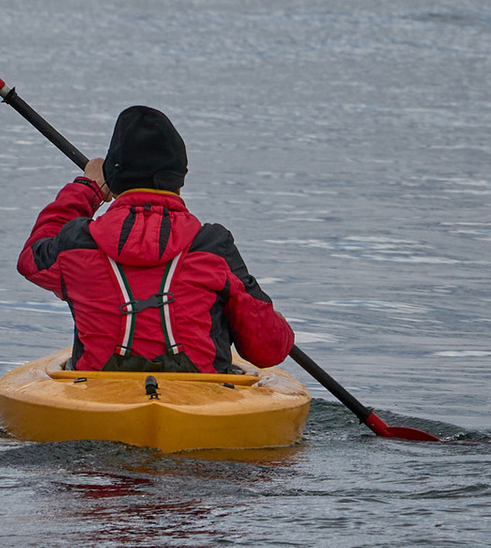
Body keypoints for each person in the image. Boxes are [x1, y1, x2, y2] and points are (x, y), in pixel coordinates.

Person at [16, 104, 297, 377]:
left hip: (97, 396)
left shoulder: (77, 242)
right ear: (180, 180)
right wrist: (277, 324)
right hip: (201, 399)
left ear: (113, 179)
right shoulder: (213, 246)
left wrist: (88, 187)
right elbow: (267, 350)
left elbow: (31, 258)